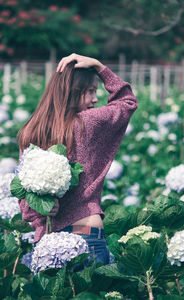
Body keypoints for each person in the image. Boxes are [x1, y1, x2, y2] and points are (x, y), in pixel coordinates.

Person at [17, 53, 138, 266]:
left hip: (48, 240)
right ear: (72, 92)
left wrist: (42, 209)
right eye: (90, 91)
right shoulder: (86, 124)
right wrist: (101, 67)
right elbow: (127, 102)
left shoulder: (31, 132)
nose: (95, 98)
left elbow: (23, 195)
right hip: (86, 231)